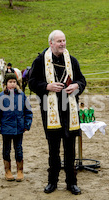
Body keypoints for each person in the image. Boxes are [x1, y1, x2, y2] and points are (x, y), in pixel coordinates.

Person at [29, 30, 86, 195]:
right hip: (50, 111)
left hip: (70, 111)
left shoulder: (72, 60)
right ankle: (52, 181)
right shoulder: (40, 61)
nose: (62, 44)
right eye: (59, 41)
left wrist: (77, 86)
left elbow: (82, 80)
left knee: (70, 149)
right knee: (53, 149)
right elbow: (32, 83)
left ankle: (71, 183)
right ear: (51, 43)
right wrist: (47, 87)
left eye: (64, 40)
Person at [0, 73, 33, 182]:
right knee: (6, 149)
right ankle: (8, 170)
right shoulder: (1, 97)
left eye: (14, 82)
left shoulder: (21, 95)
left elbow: (28, 111)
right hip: (5, 129)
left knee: (18, 149)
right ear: (6, 84)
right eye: (10, 82)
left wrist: (26, 125)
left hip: (19, 128)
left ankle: (20, 170)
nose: (12, 84)